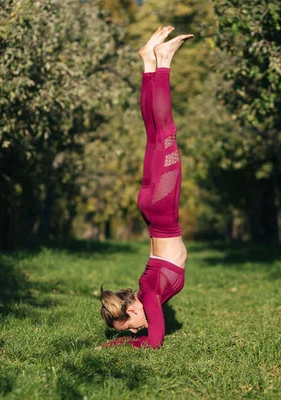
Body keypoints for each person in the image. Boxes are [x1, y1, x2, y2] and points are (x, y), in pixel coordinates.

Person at [100, 26, 193, 349]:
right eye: (127, 332)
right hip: (150, 206)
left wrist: (117, 346)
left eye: (128, 326)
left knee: (164, 130)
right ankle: (148, 62)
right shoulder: (144, 286)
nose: (133, 331)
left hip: (161, 207)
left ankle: (162, 60)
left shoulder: (149, 296)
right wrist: (116, 343)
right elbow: (146, 332)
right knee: (153, 134)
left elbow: (154, 343)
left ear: (132, 308)